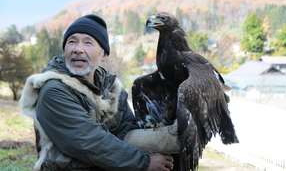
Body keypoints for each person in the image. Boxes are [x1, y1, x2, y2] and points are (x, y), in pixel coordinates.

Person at [19, 14, 174, 171]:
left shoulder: (112, 89)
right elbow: (87, 141)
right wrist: (144, 162)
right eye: (72, 41)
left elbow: (127, 130)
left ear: (104, 55)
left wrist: (170, 137)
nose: (78, 49)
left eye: (88, 43)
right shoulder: (53, 90)